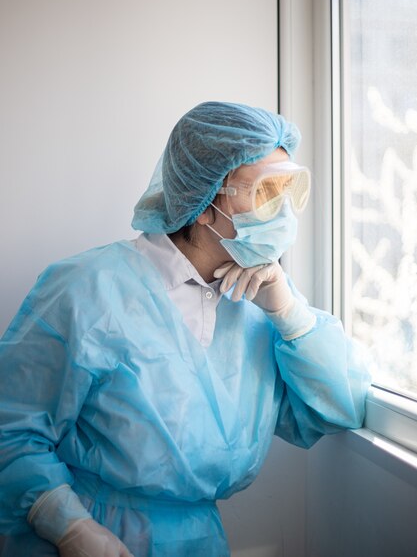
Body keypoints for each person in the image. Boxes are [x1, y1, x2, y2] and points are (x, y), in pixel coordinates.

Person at [0, 101, 371, 557]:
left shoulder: (263, 299)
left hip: (202, 541)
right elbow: (11, 429)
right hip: (91, 536)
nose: (284, 211)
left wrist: (288, 311)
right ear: (203, 203)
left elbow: (341, 409)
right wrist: (68, 526)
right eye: (266, 192)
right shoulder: (86, 289)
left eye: (290, 189)